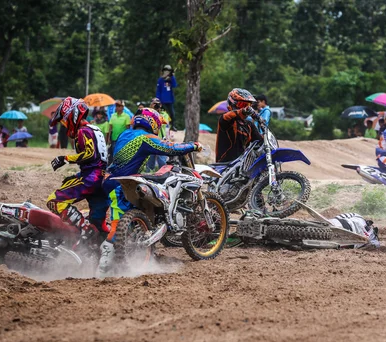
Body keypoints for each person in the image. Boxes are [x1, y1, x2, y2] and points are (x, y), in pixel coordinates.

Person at [99, 108, 202, 275]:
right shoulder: (146, 138)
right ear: (152, 122)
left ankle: (134, 253)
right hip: (120, 184)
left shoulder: (125, 134)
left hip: (111, 180)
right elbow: (171, 148)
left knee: (131, 217)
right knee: (117, 225)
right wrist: (193, 145)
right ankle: (102, 269)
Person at [46, 97, 109, 239]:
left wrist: (65, 159)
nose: (64, 124)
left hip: (90, 179)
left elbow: (90, 154)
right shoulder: (94, 129)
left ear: (73, 115)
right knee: (98, 223)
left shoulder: (83, 131)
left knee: (54, 201)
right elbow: (98, 158)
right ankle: (99, 242)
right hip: (99, 179)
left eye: (64, 120)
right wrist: (77, 176)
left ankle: (85, 230)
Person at [215, 88, 263, 163]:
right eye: (243, 104)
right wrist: (243, 111)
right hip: (224, 165)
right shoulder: (227, 119)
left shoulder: (249, 125)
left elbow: (259, 140)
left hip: (242, 165)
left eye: (248, 105)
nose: (246, 107)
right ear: (233, 103)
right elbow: (226, 117)